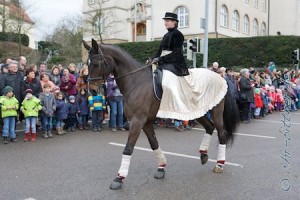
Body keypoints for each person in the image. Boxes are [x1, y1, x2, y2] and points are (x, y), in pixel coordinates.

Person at [151, 12, 189, 76]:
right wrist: (152, 58)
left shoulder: (178, 34)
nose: (165, 23)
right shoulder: (166, 35)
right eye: (165, 21)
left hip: (175, 64)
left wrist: (160, 59)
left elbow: (176, 53)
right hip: (163, 62)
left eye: (167, 21)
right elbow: (159, 52)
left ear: (174, 22)